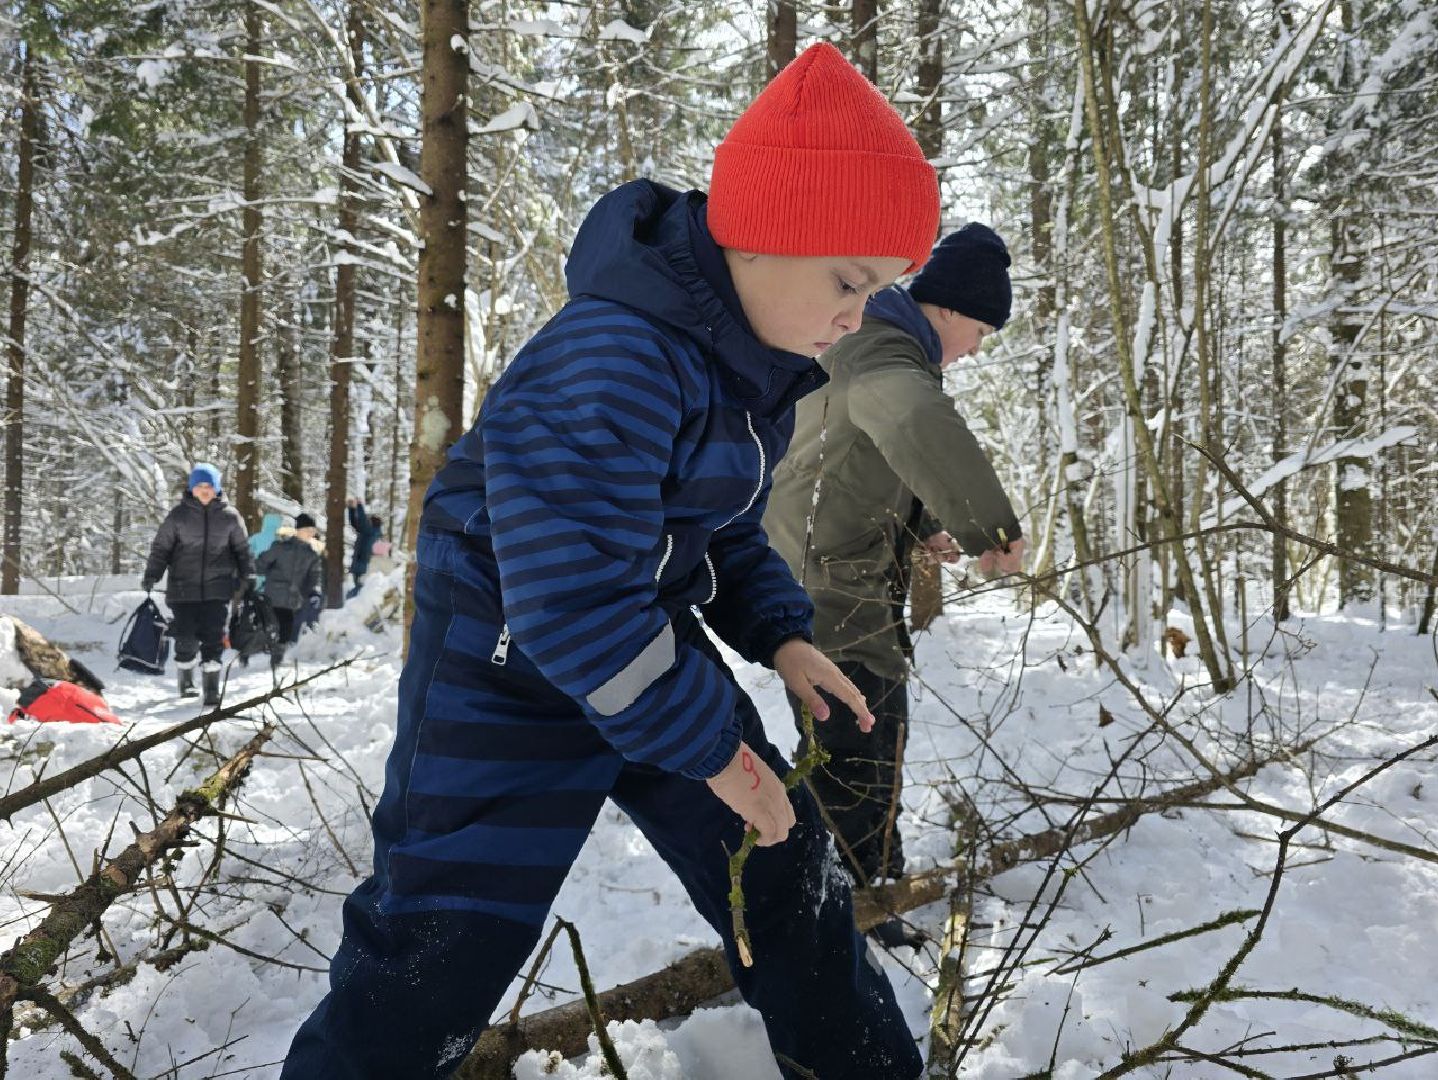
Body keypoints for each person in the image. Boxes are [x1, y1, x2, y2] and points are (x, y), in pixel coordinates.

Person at [283, 43, 939, 1080]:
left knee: (787, 865)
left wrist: (783, 635)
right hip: (504, 673)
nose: (859, 317)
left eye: (882, 290)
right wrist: (718, 755)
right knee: (441, 948)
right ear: (766, 235)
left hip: (642, 652)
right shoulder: (613, 358)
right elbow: (574, 601)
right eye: (851, 281)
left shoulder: (742, 367)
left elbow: (721, 528)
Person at [764, 224, 1025, 946]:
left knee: (855, 746)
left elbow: (850, 463)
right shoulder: (882, 348)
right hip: (832, 591)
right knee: (858, 751)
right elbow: (909, 418)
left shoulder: (872, 345)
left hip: (827, 576)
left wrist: (922, 527)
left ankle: (849, 903)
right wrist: (988, 527)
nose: (976, 348)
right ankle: (849, 919)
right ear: (947, 310)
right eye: (980, 330)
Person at [141, 463, 253, 706]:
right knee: (186, 638)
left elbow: (242, 550)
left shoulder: (230, 517)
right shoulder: (178, 517)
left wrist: (249, 576)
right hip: (183, 589)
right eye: (200, 486)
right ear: (192, 488)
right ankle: (187, 681)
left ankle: (211, 688)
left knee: (214, 637)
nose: (204, 491)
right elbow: (161, 549)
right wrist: (153, 574)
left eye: (209, 486)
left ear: (216, 489)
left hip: (218, 589)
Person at [255, 511, 323, 666]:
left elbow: (315, 576)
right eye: (308, 530)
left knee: (287, 628)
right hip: (274, 595)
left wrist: (314, 592)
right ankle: (264, 653)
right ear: (298, 530)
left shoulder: (311, 555)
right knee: (272, 625)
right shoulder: (281, 547)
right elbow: (261, 563)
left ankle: (276, 657)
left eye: (312, 531)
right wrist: (257, 571)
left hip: (294, 598)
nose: (310, 533)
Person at [345, 497, 382, 597]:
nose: (367, 521)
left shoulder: (370, 532)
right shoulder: (370, 533)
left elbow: (361, 521)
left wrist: (359, 505)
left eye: (369, 521)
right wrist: (351, 509)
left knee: (359, 593)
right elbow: (356, 524)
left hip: (363, 568)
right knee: (360, 591)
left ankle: (350, 606)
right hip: (362, 567)